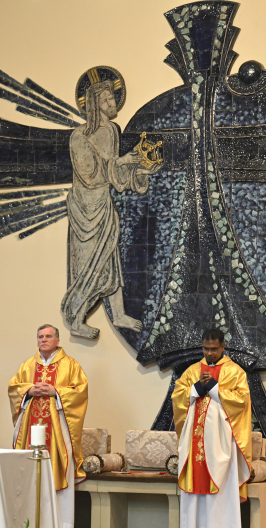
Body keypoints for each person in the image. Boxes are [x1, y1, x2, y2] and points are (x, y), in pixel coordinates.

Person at [60, 76, 161, 339]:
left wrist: (138, 171)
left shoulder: (113, 130)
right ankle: (76, 318)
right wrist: (122, 162)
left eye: (111, 97)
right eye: (104, 100)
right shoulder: (79, 136)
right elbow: (89, 173)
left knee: (110, 260)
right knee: (87, 266)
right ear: (93, 105)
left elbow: (115, 176)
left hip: (104, 203)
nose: (110, 103)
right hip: (85, 207)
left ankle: (118, 314)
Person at [173, 329, 252, 528]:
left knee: (220, 479)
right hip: (195, 438)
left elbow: (242, 400)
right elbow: (178, 396)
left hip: (220, 439)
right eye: (206, 349)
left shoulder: (235, 372)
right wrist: (198, 387)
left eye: (214, 349)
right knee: (196, 481)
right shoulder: (192, 371)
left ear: (222, 347)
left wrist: (215, 388)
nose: (209, 353)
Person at [8, 324, 88, 528]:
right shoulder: (27, 365)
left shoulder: (71, 365)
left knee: (59, 465)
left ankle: (60, 524)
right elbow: (14, 388)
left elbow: (80, 391)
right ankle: (29, 522)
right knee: (29, 470)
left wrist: (56, 392)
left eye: (48, 336)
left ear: (57, 340)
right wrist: (29, 390)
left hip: (58, 426)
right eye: (40, 336)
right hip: (30, 426)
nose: (43, 340)